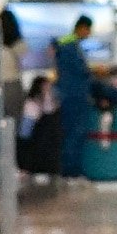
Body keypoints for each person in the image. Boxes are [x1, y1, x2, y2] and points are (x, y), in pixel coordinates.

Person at [48, 16, 100, 181]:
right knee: (75, 133)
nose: (89, 34)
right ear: (82, 28)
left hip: (68, 94)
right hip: (74, 96)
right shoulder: (70, 45)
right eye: (88, 30)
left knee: (70, 132)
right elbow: (81, 70)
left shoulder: (65, 43)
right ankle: (71, 171)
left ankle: (68, 170)